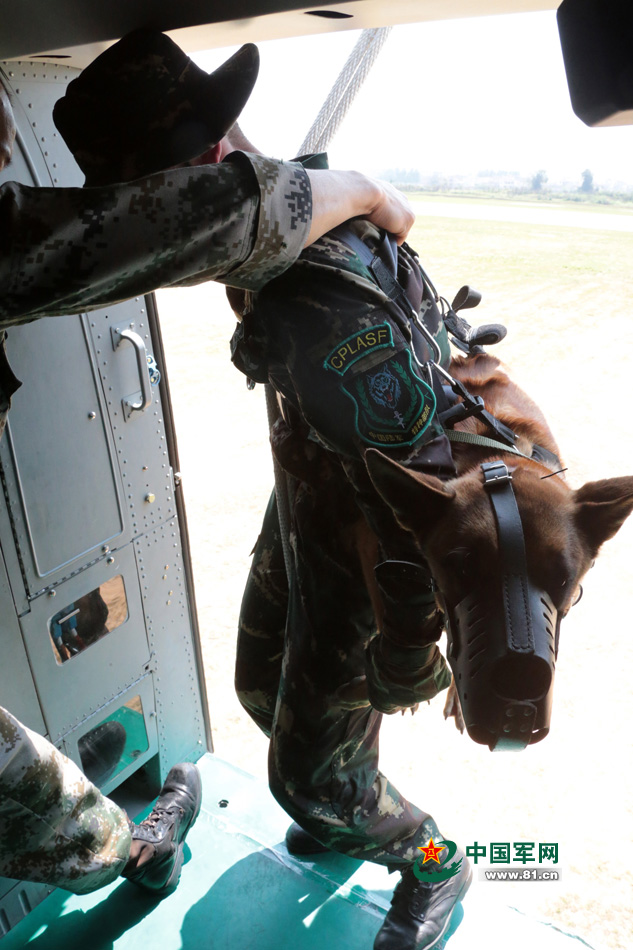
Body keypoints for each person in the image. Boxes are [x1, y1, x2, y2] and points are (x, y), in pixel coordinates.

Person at [53, 34, 472, 949]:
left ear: (200, 176)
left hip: (367, 554)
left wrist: (408, 647)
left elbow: (423, 493)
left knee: (309, 780)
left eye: (152, 209)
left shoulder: (320, 296)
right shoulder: (265, 235)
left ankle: (432, 859)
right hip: (306, 523)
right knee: (258, 688)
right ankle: (345, 803)